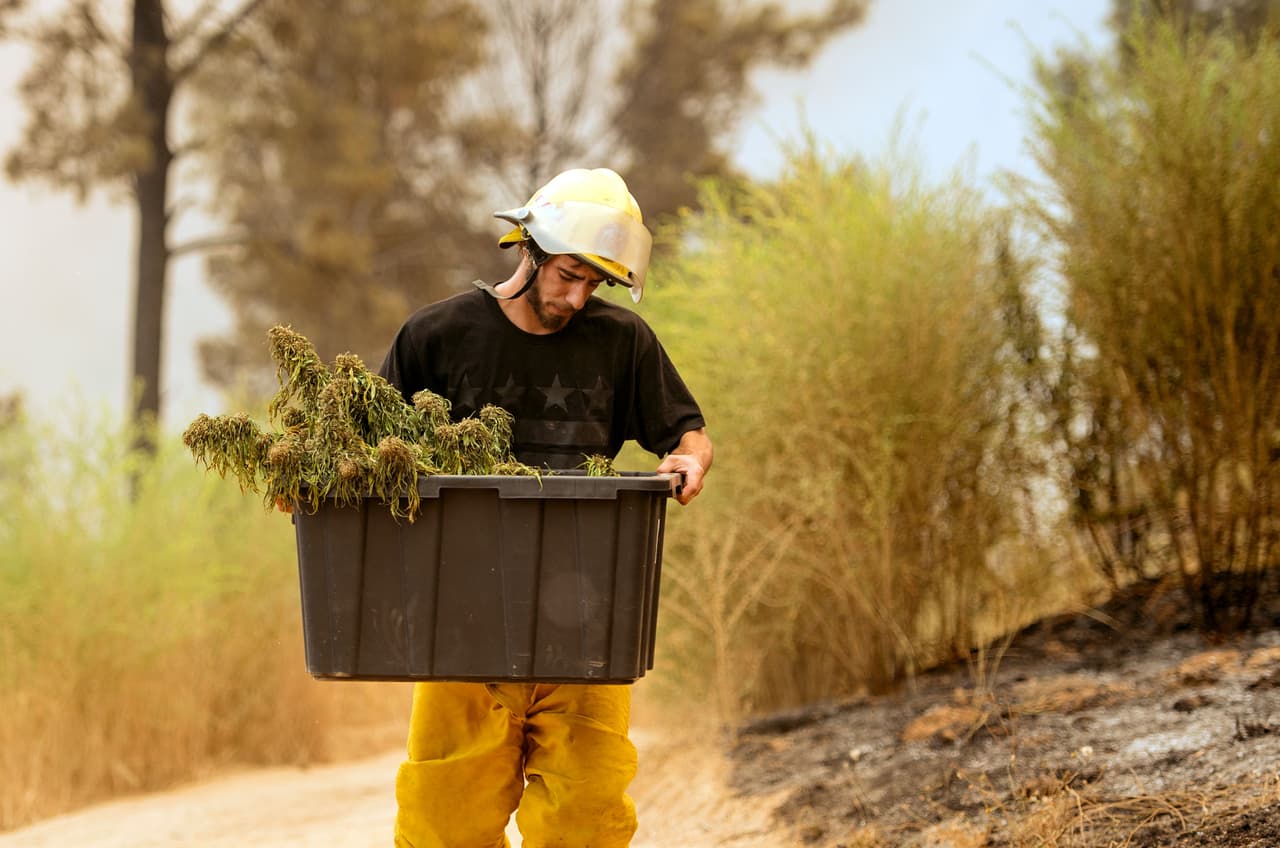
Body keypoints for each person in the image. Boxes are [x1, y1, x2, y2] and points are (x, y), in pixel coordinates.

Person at [377, 166, 713, 848]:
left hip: (585, 622)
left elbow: (688, 433)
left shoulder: (623, 343)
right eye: (568, 273)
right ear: (528, 248)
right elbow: (367, 449)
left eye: (596, 282)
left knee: (586, 821)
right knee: (446, 824)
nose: (578, 296)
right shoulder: (436, 337)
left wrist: (688, 459)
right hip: (461, 627)